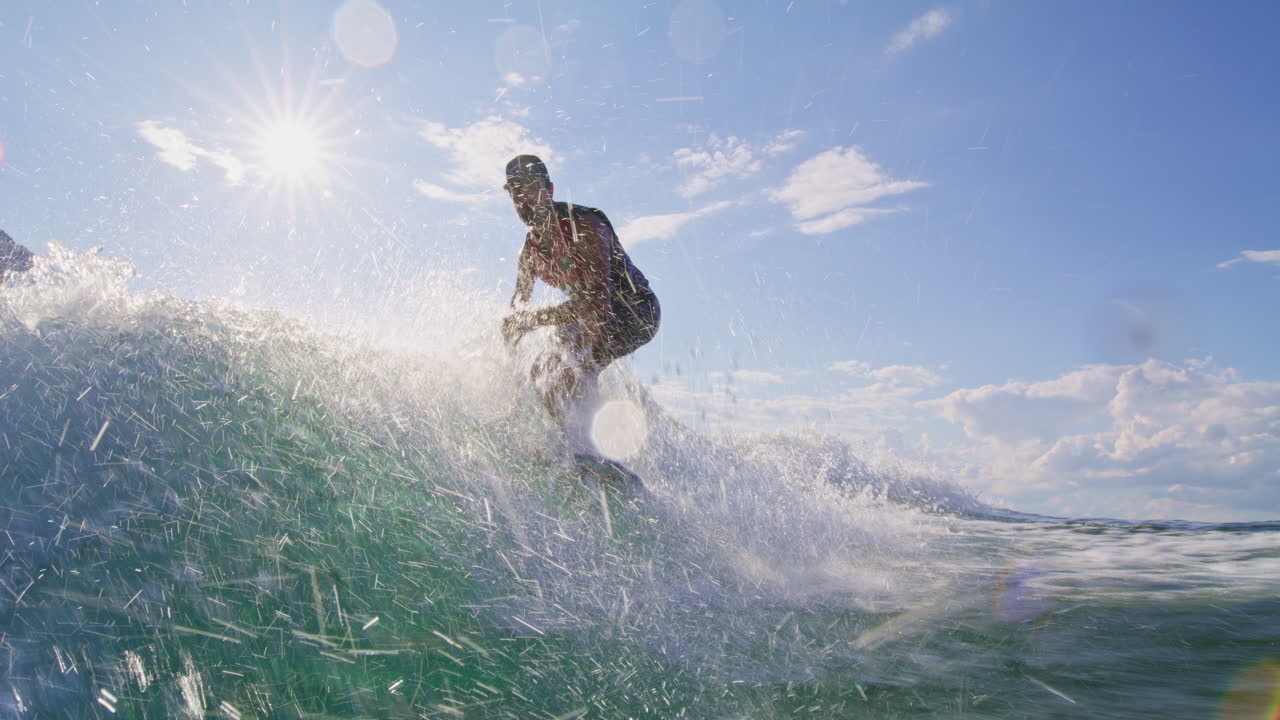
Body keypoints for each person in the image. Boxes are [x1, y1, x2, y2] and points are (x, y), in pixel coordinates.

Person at [500, 154, 660, 435]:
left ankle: (585, 441)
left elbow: (598, 301)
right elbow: (517, 310)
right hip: (589, 312)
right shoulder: (529, 252)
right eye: (515, 191)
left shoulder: (584, 225)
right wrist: (509, 351)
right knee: (542, 366)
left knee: (569, 359)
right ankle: (564, 439)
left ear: (549, 190)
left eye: (530, 187)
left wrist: (534, 319)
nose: (523, 196)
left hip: (636, 311)